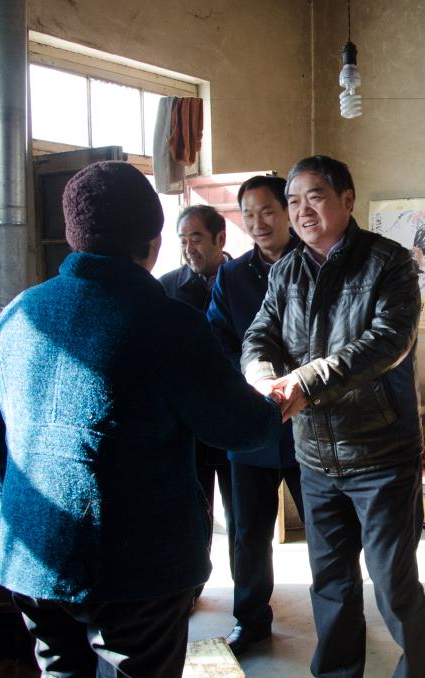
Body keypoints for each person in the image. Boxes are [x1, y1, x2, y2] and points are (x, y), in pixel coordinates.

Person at [0, 161, 282, 676]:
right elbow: (242, 427)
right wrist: (276, 401)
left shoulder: (17, 316)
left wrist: (25, 520)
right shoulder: (168, 323)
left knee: (61, 670)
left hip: (32, 555)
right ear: (155, 240)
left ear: (73, 236)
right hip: (138, 568)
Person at [241, 155, 425, 677]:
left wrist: (306, 382)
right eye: (293, 201)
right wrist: (262, 378)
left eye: (315, 197)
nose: (302, 211)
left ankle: (420, 669)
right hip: (314, 457)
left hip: (380, 454)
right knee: (330, 582)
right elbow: (260, 335)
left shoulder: (389, 262)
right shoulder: (286, 270)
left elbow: (388, 341)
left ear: (347, 200)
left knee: (393, 580)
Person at [207, 175, 303, 656]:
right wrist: (251, 382)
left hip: (309, 424)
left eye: (267, 211)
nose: (258, 223)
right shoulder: (231, 276)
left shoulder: (317, 265)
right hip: (250, 426)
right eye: (248, 215)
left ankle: (340, 614)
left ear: (288, 212)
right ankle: (250, 620)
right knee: (248, 534)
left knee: (327, 532)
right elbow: (218, 339)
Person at [159, 205, 237, 580]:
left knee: (243, 516)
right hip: (188, 425)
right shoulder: (166, 288)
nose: (189, 248)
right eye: (183, 240)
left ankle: (247, 596)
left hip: (235, 418)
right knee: (192, 512)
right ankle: (192, 586)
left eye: (197, 238)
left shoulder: (245, 280)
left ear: (220, 238)